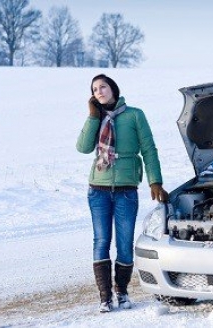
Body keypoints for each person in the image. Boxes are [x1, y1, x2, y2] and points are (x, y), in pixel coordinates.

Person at [76, 74, 168, 313]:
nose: (99, 91)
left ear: (113, 88)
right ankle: (104, 297)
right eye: (95, 89)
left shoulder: (135, 115)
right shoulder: (97, 118)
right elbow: (83, 147)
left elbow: (148, 148)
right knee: (101, 241)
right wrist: (92, 116)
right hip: (98, 189)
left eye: (103, 86)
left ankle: (123, 292)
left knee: (125, 244)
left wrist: (155, 181)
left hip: (126, 190)